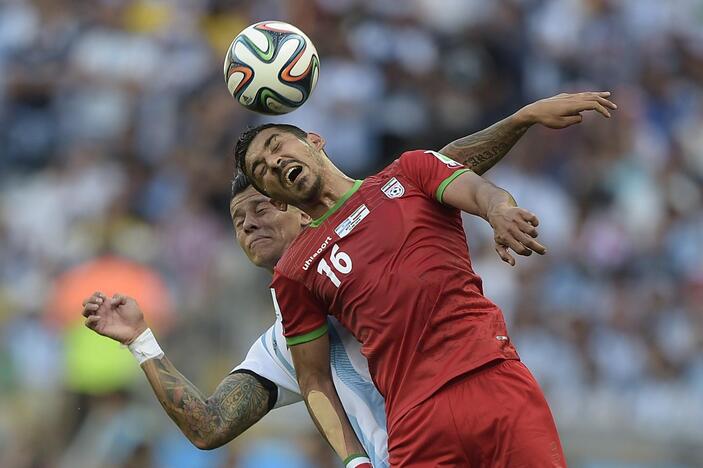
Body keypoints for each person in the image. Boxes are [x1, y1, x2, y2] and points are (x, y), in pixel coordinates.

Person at [81, 92, 613, 467]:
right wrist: (141, 342)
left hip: (490, 385)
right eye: (239, 222)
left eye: (261, 208)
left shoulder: (394, 190)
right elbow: (210, 425)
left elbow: (445, 167)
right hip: (413, 442)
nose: (251, 222)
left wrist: (516, 137)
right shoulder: (288, 321)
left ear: (295, 206)